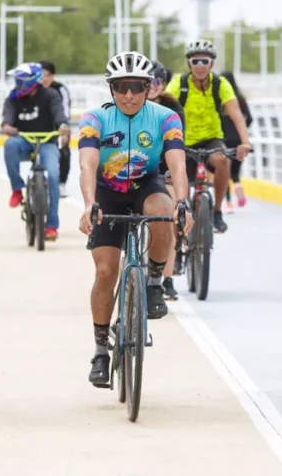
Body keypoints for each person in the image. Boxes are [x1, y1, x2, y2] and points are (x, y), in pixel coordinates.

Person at [77, 51, 193, 387]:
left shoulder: (166, 117)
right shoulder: (94, 118)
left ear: (148, 87)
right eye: (121, 87)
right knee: (104, 272)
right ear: (111, 88)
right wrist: (88, 204)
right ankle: (100, 350)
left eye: (137, 87)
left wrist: (182, 202)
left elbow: (177, 165)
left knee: (163, 210)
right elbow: (87, 165)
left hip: (146, 184)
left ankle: (154, 283)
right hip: (107, 191)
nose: (129, 95)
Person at [165, 39, 252, 233]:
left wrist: (245, 142)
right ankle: (181, 221)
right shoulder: (179, 83)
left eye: (205, 61)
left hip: (212, 137)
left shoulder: (220, 84)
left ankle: (217, 211)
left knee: (222, 160)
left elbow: (237, 114)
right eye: (195, 61)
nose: (200, 66)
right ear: (189, 64)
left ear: (212, 64)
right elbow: (164, 107)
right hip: (183, 140)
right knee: (181, 183)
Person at [2, 62, 70, 242]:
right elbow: (7, 115)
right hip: (23, 140)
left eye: (20, 81)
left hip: (47, 141)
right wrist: (7, 126)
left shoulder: (50, 95)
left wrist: (63, 126)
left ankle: (52, 225)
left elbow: (59, 114)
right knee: (9, 145)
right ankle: (17, 189)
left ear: (32, 82)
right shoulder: (13, 97)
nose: (17, 85)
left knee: (54, 176)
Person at [147, 61, 185, 300]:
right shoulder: (126, 108)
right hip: (135, 171)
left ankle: (165, 277)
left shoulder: (173, 110)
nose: (152, 86)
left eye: (157, 81)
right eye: (147, 81)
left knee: (169, 214)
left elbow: (177, 148)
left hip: (164, 168)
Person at [219, 71, 253, 211]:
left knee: (224, 172)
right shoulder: (240, 99)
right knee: (235, 171)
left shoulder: (220, 98)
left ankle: (228, 203)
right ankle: (238, 185)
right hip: (239, 140)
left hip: (223, 139)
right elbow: (249, 119)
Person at [40, 60, 72, 199]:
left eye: (47, 75)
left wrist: (63, 128)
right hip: (39, 127)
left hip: (57, 127)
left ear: (52, 76)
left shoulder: (60, 89)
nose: (44, 79)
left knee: (64, 150)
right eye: (40, 76)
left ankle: (61, 183)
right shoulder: (33, 90)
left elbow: (65, 110)